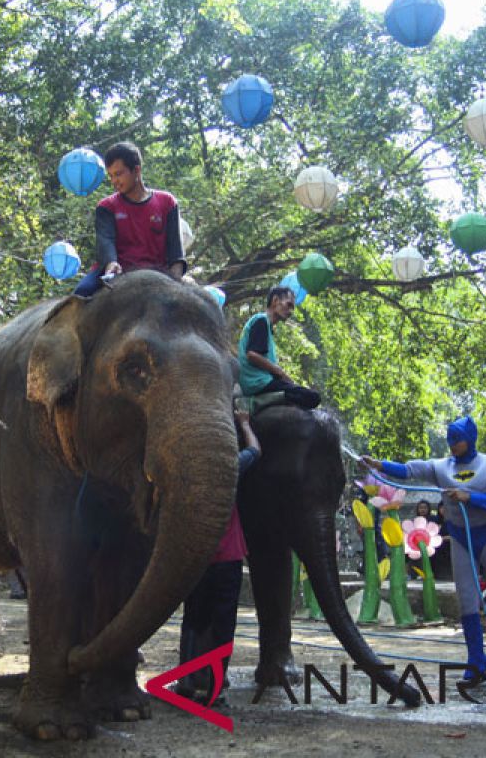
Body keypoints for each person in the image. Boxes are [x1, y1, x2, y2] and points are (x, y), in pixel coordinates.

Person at [361, 415, 486, 690]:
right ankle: (477, 665)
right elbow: (409, 470)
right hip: (460, 539)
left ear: (470, 439)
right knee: (467, 601)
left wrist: (470, 497)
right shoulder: (441, 467)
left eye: (458, 441)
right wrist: (379, 465)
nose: (453, 445)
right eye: (450, 440)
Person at [176, 410, 261, 705]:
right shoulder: (230, 468)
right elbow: (255, 450)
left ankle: (187, 681)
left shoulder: (188, 474)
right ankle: (214, 686)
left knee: (194, 619)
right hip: (229, 559)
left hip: (197, 558)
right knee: (223, 623)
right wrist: (246, 424)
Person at [73, 141, 186, 297]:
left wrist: (176, 283)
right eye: (111, 176)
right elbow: (105, 241)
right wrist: (111, 263)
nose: (114, 181)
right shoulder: (107, 206)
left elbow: (176, 254)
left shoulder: (167, 202)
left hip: (159, 274)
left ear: (136, 170)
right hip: (118, 272)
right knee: (81, 293)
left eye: (118, 174)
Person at [237, 286, 321, 409]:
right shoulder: (261, 321)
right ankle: (252, 404)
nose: (291, 311)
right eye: (289, 305)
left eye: (292, 307)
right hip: (257, 382)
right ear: (275, 300)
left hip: (263, 380)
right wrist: (279, 371)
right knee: (313, 397)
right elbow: (252, 355)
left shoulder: (268, 328)